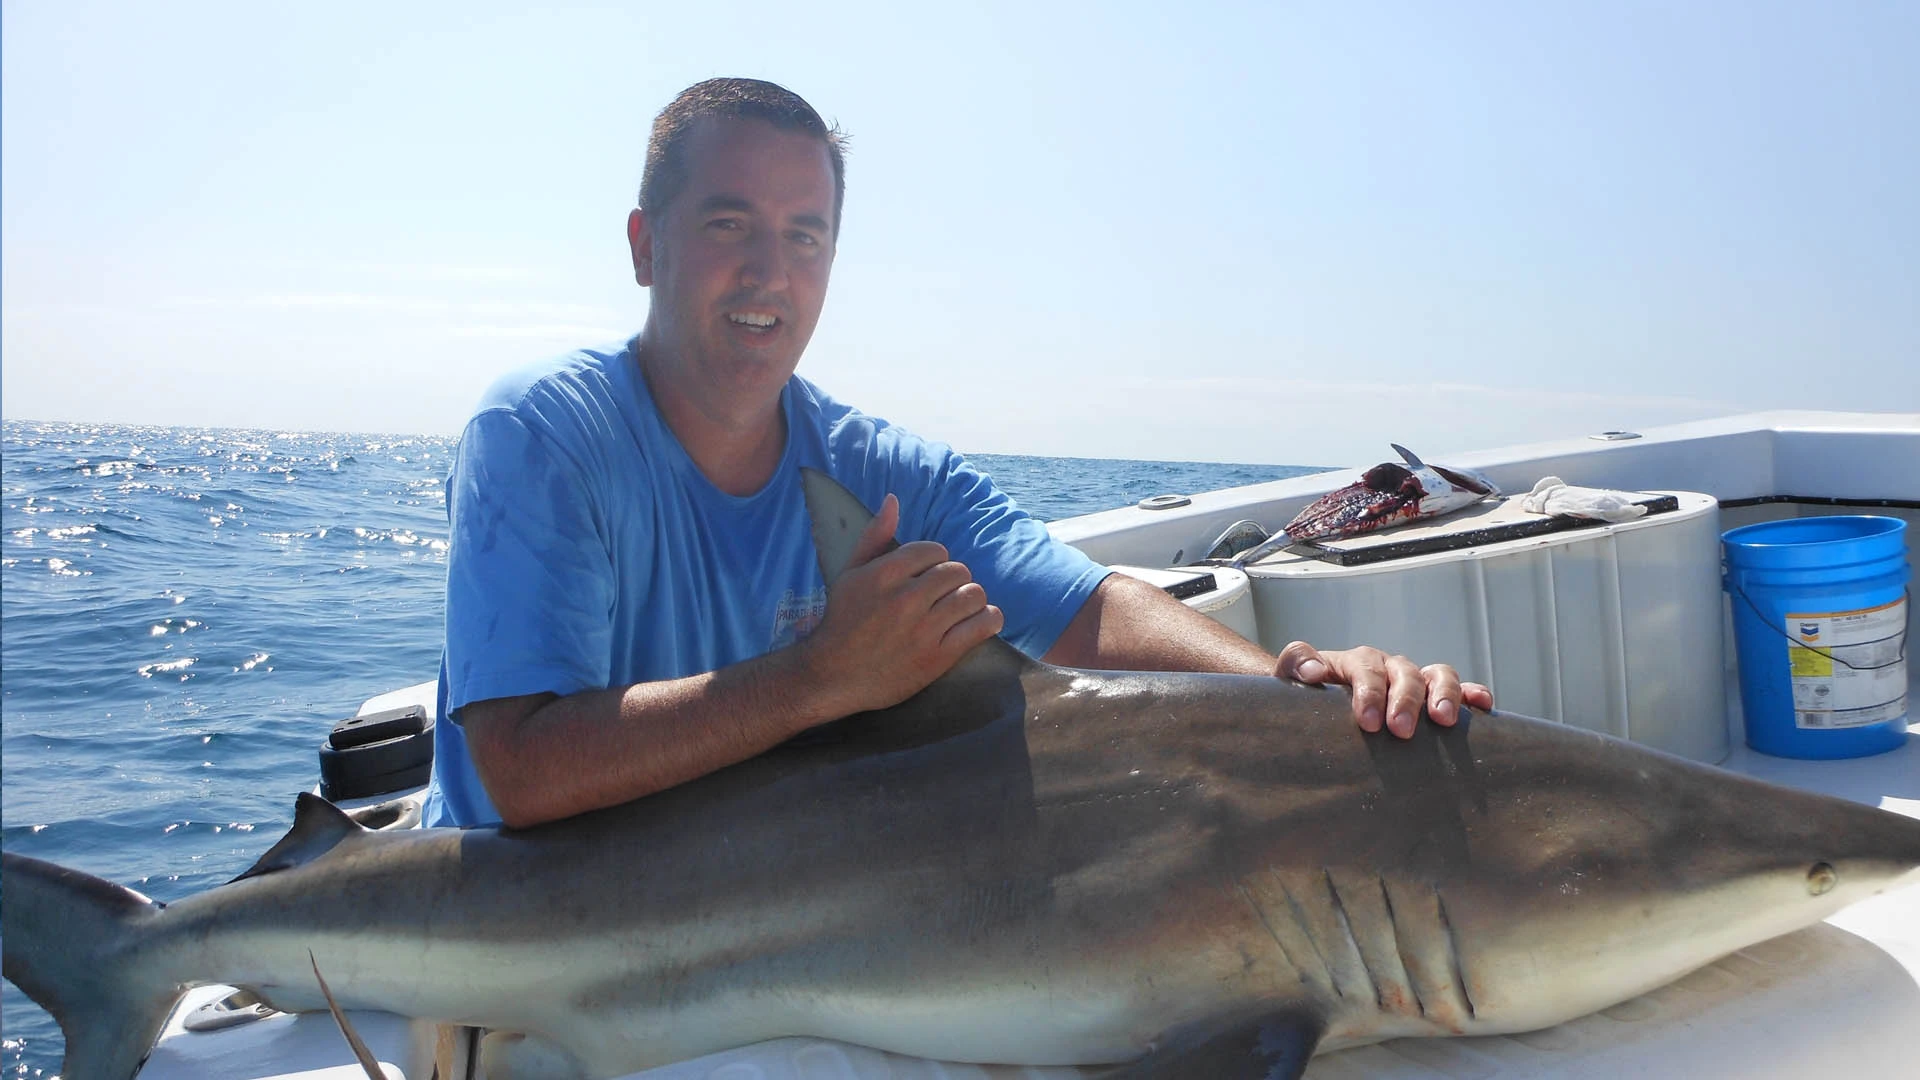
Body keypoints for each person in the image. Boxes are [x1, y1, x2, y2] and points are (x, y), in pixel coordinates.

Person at [421, 78, 1492, 830]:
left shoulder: (879, 469)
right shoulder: (544, 434)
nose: (769, 273)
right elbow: (517, 771)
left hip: (741, 891)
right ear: (645, 244)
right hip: (508, 911)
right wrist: (816, 681)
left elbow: (1083, 610)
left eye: (805, 235)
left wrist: (1294, 685)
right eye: (727, 225)